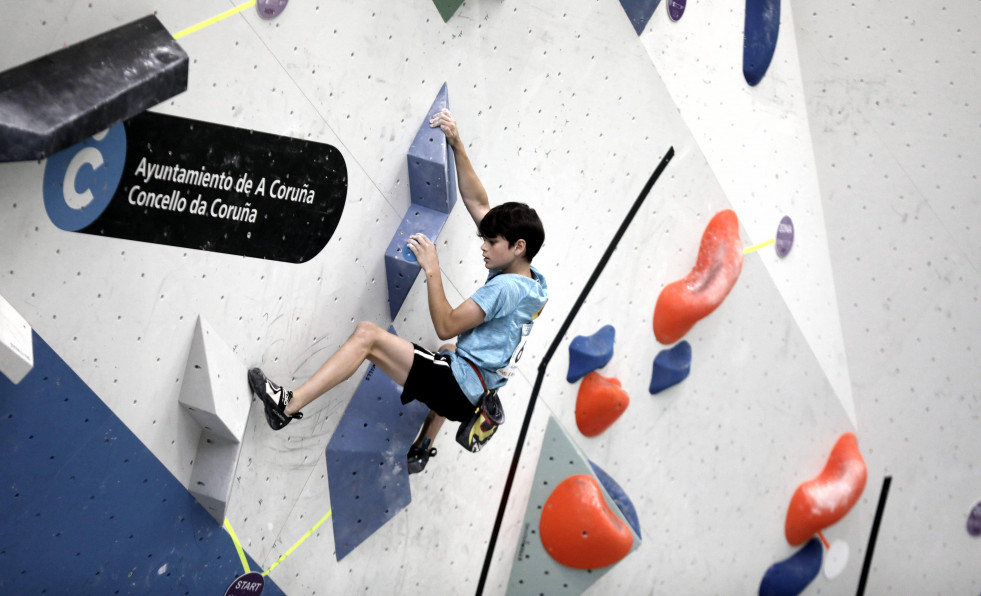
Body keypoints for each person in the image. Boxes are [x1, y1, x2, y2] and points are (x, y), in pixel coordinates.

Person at [248, 109, 548, 474]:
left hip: (458, 387)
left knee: (367, 337)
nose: (483, 246)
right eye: (483, 238)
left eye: (491, 241)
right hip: (478, 393)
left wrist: (432, 268)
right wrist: (456, 144)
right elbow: (479, 204)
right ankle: (423, 445)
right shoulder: (535, 285)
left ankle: (287, 405)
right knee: (450, 352)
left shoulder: (503, 288)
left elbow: (446, 324)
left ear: (518, 246)